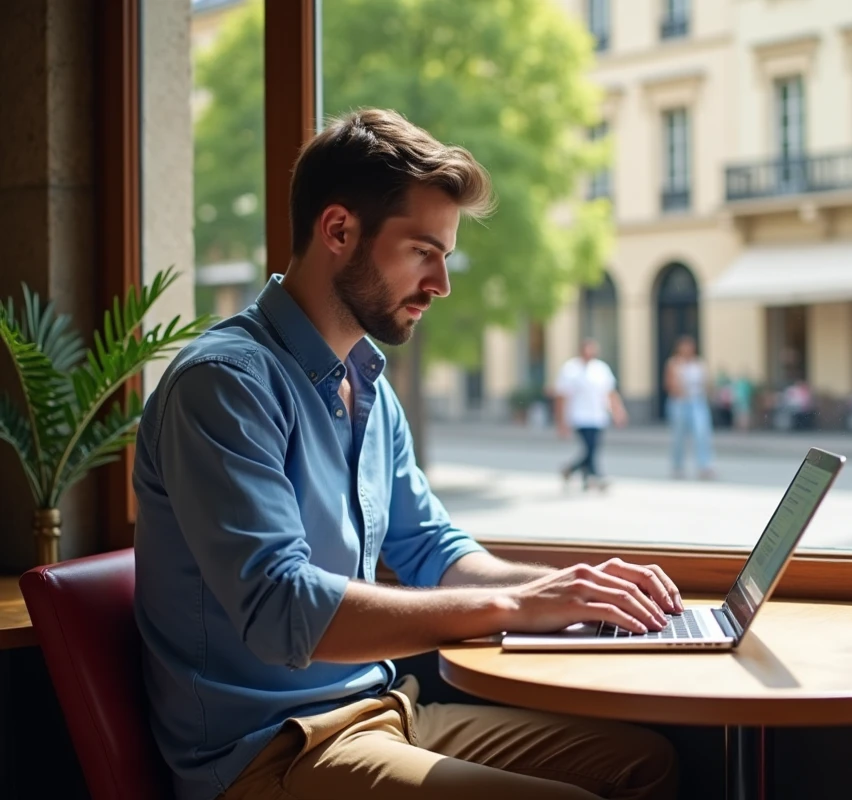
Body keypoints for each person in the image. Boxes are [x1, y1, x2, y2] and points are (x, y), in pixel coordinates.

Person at [132, 108, 679, 800]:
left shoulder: (368, 387)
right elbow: (280, 607)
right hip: (267, 753)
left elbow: (431, 548)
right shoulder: (223, 385)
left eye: (444, 256)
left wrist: (568, 594)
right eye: (423, 251)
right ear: (338, 231)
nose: (441, 284)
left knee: (644, 763)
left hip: (386, 711)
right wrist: (514, 605)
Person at [554, 338, 628, 491]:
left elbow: (610, 392)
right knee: (590, 448)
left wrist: (618, 411)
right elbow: (561, 397)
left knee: (592, 449)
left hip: (598, 416)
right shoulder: (570, 369)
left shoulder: (601, 368)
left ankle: (576, 473)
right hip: (578, 416)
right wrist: (561, 422)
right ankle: (598, 476)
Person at [663, 335, 715, 479]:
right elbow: (669, 384)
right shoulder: (673, 363)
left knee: (702, 433)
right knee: (678, 436)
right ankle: (677, 466)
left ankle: (705, 466)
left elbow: (707, 382)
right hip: (679, 402)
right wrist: (680, 390)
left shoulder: (699, 364)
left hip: (697, 401)